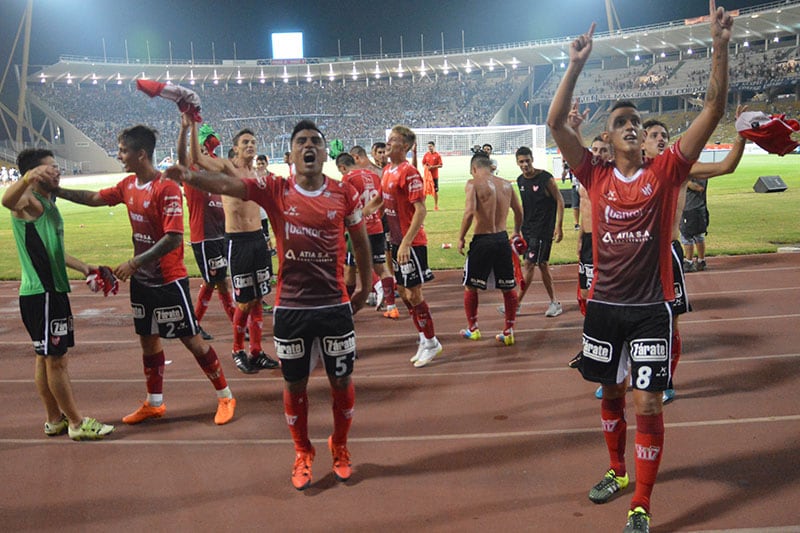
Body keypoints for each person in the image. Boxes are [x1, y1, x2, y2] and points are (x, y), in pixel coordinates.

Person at [547, 4, 732, 531]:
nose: (630, 127)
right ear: (607, 138)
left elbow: (714, 108)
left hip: (651, 310)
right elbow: (556, 123)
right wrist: (575, 64)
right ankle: (616, 470)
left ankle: (642, 505)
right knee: (609, 393)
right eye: (621, 122)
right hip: (604, 309)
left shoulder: (667, 168)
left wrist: (718, 46)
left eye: (635, 121)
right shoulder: (595, 174)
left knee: (648, 401)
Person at [166, 119, 372, 491]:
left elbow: (361, 244)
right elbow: (229, 184)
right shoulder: (275, 187)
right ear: (291, 154)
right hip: (291, 308)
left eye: (315, 141)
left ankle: (339, 445)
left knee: (341, 380)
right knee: (295, 385)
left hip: (333, 305)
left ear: (324, 153)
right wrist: (190, 177)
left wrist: (364, 287)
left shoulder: (346, 193)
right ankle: (303, 451)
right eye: (301, 142)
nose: (309, 146)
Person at [53, 125, 238, 426]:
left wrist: (135, 262)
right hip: (143, 282)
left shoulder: (165, 187)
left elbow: (174, 237)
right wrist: (57, 191)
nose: (119, 155)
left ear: (141, 154)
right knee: (148, 340)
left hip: (168, 279)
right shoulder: (127, 185)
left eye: (123, 150)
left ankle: (226, 395)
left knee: (190, 339)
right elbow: (92, 198)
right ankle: (154, 403)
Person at [2, 149, 116, 441]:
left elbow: (55, 250)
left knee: (44, 358)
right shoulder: (27, 201)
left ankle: (55, 420)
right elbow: (7, 200)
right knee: (57, 360)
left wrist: (86, 267)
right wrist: (26, 177)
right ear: (35, 173)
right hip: (44, 293)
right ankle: (77, 423)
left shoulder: (46, 202)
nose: (57, 171)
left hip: (47, 292)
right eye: (51, 168)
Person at [191, 126, 279, 374]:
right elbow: (198, 159)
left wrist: (271, 235)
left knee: (259, 298)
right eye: (245, 142)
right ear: (236, 148)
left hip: (258, 240)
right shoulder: (229, 169)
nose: (251, 145)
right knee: (243, 302)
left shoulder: (258, 174)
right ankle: (238, 349)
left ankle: (257, 351)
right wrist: (191, 125)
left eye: (253, 141)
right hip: (238, 242)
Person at [366, 125, 442, 368]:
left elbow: (421, 210)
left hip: (411, 243)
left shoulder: (409, 173)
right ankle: (423, 338)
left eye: (394, 140)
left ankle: (431, 342)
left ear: (406, 146)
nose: (388, 143)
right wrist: (361, 214)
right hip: (397, 241)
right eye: (388, 139)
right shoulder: (388, 169)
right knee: (403, 291)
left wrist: (407, 243)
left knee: (413, 293)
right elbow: (379, 198)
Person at [177, 118, 236, 341]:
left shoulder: (212, 170)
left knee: (218, 281)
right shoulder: (190, 173)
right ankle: (231, 324)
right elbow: (185, 156)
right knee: (217, 281)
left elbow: (214, 152)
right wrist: (189, 129)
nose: (202, 154)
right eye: (198, 151)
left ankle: (196, 323)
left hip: (221, 234)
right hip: (205, 236)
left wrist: (208, 144)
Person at [457, 151, 523, 346]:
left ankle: (473, 328)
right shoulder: (506, 184)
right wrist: (516, 231)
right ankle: (509, 330)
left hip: (482, 239)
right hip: (502, 239)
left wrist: (461, 237)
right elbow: (519, 211)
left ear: (474, 168)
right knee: (507, 286)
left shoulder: (473, 183)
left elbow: (469, 213)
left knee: (471, 285)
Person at [499, 146, 564, 317]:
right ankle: (554, 303)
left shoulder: (545, 178)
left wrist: (559, 226)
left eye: (527, 160)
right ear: (517, 163)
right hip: (528, 230)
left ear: (532, 159)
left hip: (543, 229)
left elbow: (560, 200)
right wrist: (517, 231)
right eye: (521, 161)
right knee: (541, 265)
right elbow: (523, 208)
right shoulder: (521, 180)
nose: (525, 164)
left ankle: (516, 304)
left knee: (530, 264)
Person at [336, 153, 396, 313]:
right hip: (376, 226)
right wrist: (376, 217)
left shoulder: (347, 179)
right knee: (381, 267)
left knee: (350, 268)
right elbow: (381, 200)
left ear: (342, 167)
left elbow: (344, 206)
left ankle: (346, 307)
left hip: (358, 230)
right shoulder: (374, 175)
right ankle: (391, 306)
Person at [421, 141, 443, 210]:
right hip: (427, 177)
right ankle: (423, 206)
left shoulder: (437, 155)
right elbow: (423, 163)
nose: (429, 148)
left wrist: (432, 167)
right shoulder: (426, 155)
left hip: (434, 176)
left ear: (433, 146)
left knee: (435, 191)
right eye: (428, 147)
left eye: (430, 146)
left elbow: (441, 165)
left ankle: (436, 206)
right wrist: (426, 167)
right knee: (424, 191)